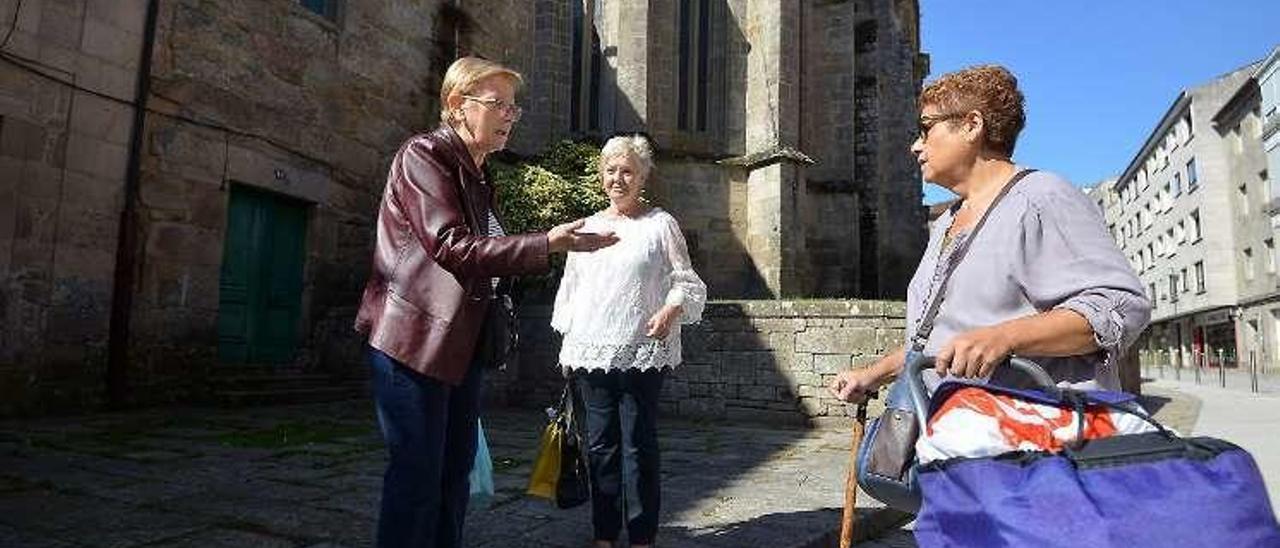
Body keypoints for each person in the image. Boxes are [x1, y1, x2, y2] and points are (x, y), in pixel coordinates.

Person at [354, 56, 618, 548]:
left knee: (454, 476)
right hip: (412, 340)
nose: (509, 116)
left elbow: (485, 262)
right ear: (457, 105)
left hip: (459, 345)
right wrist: (547, 243)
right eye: (498, 104)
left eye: (514, 108)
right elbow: (452, 246)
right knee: (417, 477)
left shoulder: (479, 175)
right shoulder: (425, 155)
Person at [829, 64, 1150, 408]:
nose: (915, 146)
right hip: (951, 438)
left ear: (971, 125)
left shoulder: (1042, 197)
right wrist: (872, 374)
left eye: (925, 129)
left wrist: (1006, 337)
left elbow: (1121, 307)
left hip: (1026, 442)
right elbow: (941, 339)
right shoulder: (946, 223)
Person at [550, 134, 707, 548]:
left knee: (639, 446)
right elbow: (571, 292)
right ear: (601, 174)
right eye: (611, 170)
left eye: (627, 171)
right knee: (601, 448)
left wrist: (671, 309)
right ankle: (604, 535)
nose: (617, 178)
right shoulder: (586, 228)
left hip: (642, 353)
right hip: (592, 354)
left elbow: (686, 282)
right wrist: (567, 349)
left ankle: (641, 536)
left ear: (642, 177)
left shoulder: (661, 224)